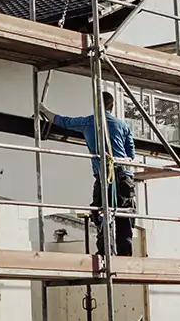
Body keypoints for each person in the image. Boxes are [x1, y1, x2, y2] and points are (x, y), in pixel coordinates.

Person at [41, 89, 137, 258]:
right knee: (124, 216)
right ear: (112, 106)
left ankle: (105, 252)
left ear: (95, 105)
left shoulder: (88, 122)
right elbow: (131, 155)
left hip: (104, 176)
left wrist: (43, 110)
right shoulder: (123, 126)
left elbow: (62, 121)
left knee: (101, 213)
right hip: (124, 176)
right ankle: (125, 256)